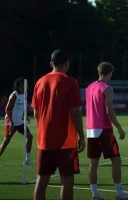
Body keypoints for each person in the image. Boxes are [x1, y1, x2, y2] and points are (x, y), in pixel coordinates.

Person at [32, 50, 85, 200]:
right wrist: (81, 136)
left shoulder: (39, 82)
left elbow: (35, 113)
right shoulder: (70, 82)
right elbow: (75, 112)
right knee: (67, 181)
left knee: (41, 181)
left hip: (44, 140)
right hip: (65, 142)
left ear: (51, 64)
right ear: (67, 63)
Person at [86, 62, 128, 200]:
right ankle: (119, 193)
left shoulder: (89, 87)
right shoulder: (107, 88)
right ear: (109, 73)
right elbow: (109, 111)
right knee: (116, 160)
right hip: (104, 130)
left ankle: (95, 194)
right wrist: (119, 127)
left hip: (90, 130)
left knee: (93, 163)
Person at [0, 77, 33, 164]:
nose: (27, 85)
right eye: (24, 84)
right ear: (20, 85)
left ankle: (27, 159)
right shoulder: (14, 95)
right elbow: (7, 109)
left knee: (30, 136)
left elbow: (21, 108)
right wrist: (11, 123)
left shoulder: (25, 94)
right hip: (11, 121)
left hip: (20, 122)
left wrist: (24, 116)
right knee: (6, 141)